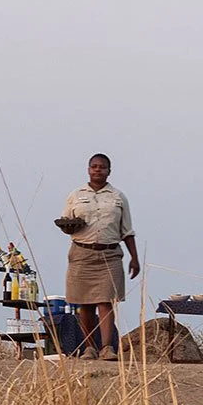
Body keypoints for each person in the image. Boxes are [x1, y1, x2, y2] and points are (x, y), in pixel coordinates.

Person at [55, 153, 140, 358]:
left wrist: (134, 258)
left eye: (102, 167)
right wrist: (69, 226)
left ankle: (107, 347)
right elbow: (65, 220)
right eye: (94, 166)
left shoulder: (118, 197)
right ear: (88, 169)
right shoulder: (76, 195)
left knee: (106, 302)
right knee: (84, 303)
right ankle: (89, 347)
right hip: (82, 253)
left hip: (109, 254)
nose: (98, 170)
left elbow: (127, 231)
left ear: (109, 171)